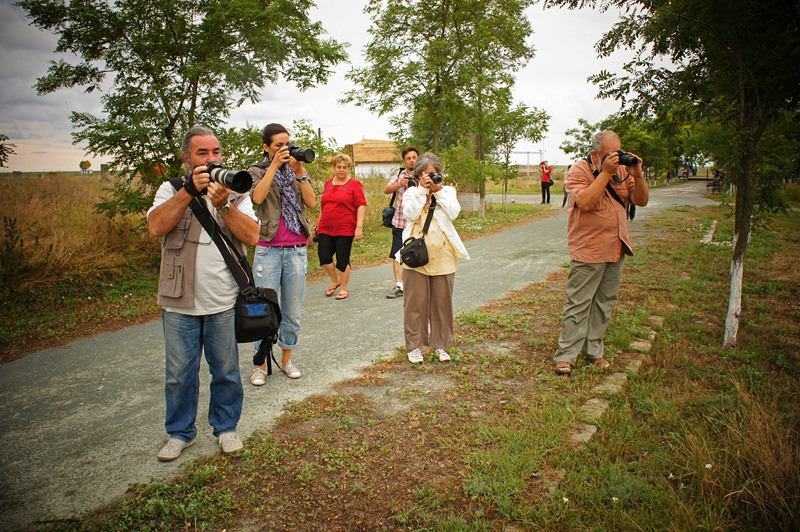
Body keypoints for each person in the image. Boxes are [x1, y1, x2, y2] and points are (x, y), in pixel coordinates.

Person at [147, 126, 260, 461]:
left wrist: (225, 207)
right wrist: (187, 193)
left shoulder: (235, 189)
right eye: (202, 154)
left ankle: (226, 429)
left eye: (216, 153)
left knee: (225, 370)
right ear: (186, 158)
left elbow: (252, 236)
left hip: (223, 300)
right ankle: (180, 433)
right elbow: (155, 227)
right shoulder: (170, 189)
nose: (211, 160)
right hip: (179, 301)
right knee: (179, 373)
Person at [553, 131, 649, 374]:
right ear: (595, 154)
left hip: (616, 247)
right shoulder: (580, 170)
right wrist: (605, 172)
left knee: (604, 303)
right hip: (589, 249)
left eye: (618, 153)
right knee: (578, 303)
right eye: (609, 155)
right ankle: (566, 355)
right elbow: (584, 202)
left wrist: (638, 175)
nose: (615, 159)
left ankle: (594, 351)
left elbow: (641, 200)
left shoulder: (623, 172)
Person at [247, 123, 317, 386]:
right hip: (268, 250)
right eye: (278, 145)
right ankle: (260, 363)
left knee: (292, 310)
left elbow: (311, 202)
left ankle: (287, 359)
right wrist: (274, 166)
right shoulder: (256, 170)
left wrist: (299, 173)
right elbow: (257, 197)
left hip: (297, 249)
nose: (284, 149)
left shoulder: (296, 168)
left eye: (286, 144)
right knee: (262, 312)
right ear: (266, 147)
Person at [400, 152, 470, 364]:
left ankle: (442, 346)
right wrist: (422, 190)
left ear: (440, 174)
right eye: (426, 174)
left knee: (442, 303)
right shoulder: (412, 193)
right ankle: (414, 347)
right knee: (415, 304)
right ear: (419, 175)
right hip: (416, 257)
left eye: (435, 174)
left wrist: (437, 191)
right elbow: (410, 215)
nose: (431, 178)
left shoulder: (448, 191)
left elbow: (454, 213)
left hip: (444, 256)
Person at [316, 153, 367, 300]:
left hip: (345, 227)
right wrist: (318, 225)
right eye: (339, 167)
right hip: (325, 227)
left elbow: (361, 206)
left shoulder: (355, 184)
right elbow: (323, 206)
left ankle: (343, 287)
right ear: (334, 167)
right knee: (324, 256)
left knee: (342, 259)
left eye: (345, 167)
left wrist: (359, 227)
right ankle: (335, 280)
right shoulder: (328, 183)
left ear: (349, 169)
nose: (341, 170)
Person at [383, 146, 419, 298]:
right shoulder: (399, 174)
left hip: (418, 223)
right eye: (408, 158)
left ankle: (417, 285)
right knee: (397, 255)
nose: (411, 160)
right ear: (404, 160)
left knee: (419, 253)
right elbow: (386, 189)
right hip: (399, 221)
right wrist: (400, 184)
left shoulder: (423, 174)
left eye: (414, 157)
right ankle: (399, 285)